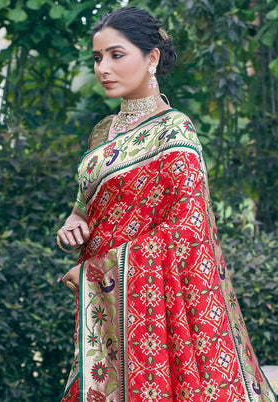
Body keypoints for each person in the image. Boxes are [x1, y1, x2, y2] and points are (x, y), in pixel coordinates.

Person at [57, 7, 277, 402]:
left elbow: (188, 231)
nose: (103, 67)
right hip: (106, 305)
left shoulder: (175, 131)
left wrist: (98, 269)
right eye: (97, 57)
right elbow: (84, 210)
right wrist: (72, 227)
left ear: (152, 58)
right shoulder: (102, 134)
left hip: (151, 307)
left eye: (116, 55)